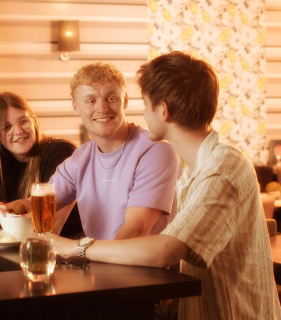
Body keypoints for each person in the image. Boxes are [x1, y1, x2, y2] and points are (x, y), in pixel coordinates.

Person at [51, 52, 281, 319]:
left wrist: (74, 247)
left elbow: (165, 251)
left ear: (163, 110)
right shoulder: (199, 166)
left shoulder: (222, 169)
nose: (143, 115)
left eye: (145, 104)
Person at [48, 62, 180, 240]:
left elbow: (135, 232)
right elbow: (41, 203)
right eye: (91, 101)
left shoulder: (156, 151)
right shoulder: (80, 157)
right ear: (75, 107)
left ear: (125, 100)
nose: (102, 109)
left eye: (111, 98)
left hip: (140, 266)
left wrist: (75, 250)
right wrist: (7, 209)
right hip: (95, 263)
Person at [0, 92, 83, 237]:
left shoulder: (61, 152)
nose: (18, 131)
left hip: (66, 250)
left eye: (23, 121)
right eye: (6, 127)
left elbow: (51, 227)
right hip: (18, 247)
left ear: (34, 120)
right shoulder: (1, 157)